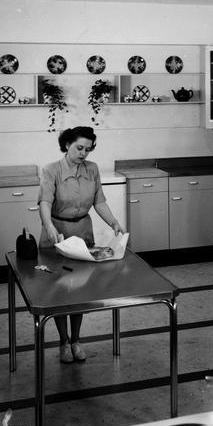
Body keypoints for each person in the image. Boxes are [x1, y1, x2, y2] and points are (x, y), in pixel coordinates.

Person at [38, 126, 125, 363]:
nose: (84, 153)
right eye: (79, 148)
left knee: (79, 291)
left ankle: (76, 340)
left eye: (88, 149)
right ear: (67, 145)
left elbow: (100, 202)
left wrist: (114, 222)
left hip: (83, 233)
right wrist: (49, 227)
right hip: (57, 234)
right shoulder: (51, 170)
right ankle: (63, 342)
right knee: (59, 292)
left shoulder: (92, 169)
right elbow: (45, 202)